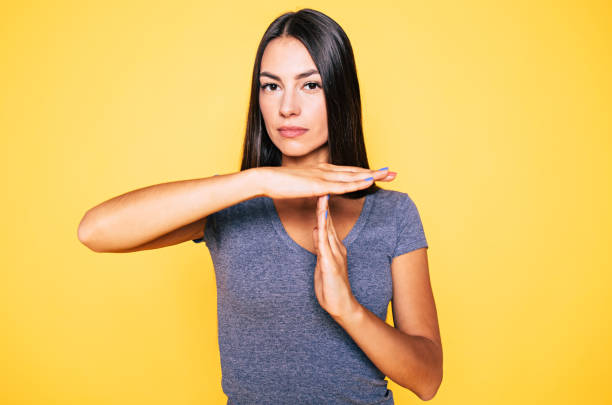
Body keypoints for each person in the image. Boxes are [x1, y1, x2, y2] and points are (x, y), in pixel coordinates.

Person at [77, 8, 443, 404]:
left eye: (310, 85)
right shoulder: (233, 206)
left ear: (339, 92)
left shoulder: (393, 214)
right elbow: (94, 231)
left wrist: (348, 310)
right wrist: (259, 180)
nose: (287, 107)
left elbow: (427, 379)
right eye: (271, 87)